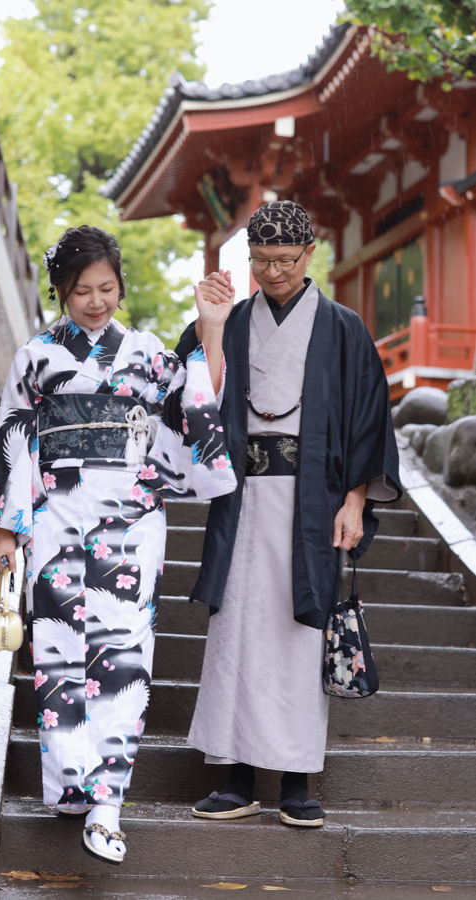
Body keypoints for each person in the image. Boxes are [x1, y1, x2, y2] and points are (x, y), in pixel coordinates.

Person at [0, 225, 236, 864]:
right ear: (62, 292)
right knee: (59, 649)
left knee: (123, 656)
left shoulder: (146, 354)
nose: (97, 301)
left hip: (133, 517)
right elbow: (13, 434)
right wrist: (5, 529)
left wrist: (213, 330)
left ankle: (109, 802)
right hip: (57, 514)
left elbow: (196, 400)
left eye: (107, 288)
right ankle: (74, 784)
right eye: (83, 291)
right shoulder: (36, 356)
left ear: (121, 286)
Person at [175, 201, 401, 827]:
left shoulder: (343, 327)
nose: (272, 272)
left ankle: (299, 779)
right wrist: (210, 326)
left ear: (309, 256)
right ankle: (240, 777)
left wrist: (355, 500)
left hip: (314, 501)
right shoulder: (232, 318)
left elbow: (368, 417)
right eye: (260, 261)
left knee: (302, 634)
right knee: (240, 629)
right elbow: (190, 399)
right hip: (242, 498)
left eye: (283, 260)